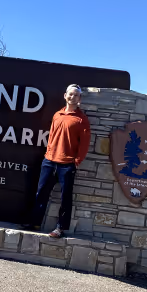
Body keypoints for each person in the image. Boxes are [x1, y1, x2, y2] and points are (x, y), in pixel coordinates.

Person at [21, 84, 92, 237]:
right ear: (65, 95)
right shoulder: (57, 115)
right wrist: (48, 153)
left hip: (67, 164)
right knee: (41, 193)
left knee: (65, 197)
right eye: (70, 94)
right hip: (49, 161)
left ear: (79, 98)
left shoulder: (81, 120)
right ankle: (35, 222)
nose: (72, 97)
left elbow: (85, 143)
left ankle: (60, 228)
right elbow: (52, 135)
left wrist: (77, 161)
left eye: (76, 95)